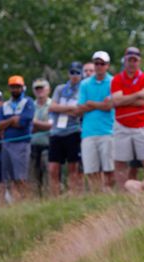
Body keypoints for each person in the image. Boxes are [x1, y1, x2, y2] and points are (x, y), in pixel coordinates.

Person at [111, 47, 144, 186]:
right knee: (120, 161)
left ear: (139, 62)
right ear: (125, 61)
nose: (132, 63)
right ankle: (124, 192)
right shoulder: (117, 79)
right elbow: (117, 101)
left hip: (142, 125)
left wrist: (125, 98)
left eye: (134, 60)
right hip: (122, 126)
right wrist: (137, 94)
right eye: (129, 60)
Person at [78, 51, 115, 192]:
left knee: (109, 168)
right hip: (88, 131)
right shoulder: (85, 84)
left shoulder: (113, 81)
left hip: (108, 130)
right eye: (97, 63)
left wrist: (91, 104)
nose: (99, 66)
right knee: (91, 169)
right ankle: (97, 194)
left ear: (107, 65)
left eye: (102, 64)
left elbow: (109, 106)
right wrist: (100, 104)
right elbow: (80, 107)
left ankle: (108, 192)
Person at [0, 75, 35, 201]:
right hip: (7, 143)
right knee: (8, 177)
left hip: (22, 143)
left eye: (17, 87)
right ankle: (15, 201)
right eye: (13, 87)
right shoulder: (5, 105)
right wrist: (12, 120)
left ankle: (26, 199)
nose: (15, 89)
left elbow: (23, 123)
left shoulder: (28, 102)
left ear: (22, 87)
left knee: (20, 176)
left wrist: (7, 122)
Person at [48, 61, 83, 196]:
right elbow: (52, 107)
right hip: (56, 132)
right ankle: (54, 196)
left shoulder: (83, 89)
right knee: (53, 168)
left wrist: (61, 109)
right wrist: (70, 109)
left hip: (73, 131)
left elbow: (78, 111)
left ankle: (73, 193)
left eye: (77, 73)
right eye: (72, 72)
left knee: (73, 167)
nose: (74, 76)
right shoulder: (60, 88)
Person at [30, 78, 52, 196]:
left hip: (48, 145)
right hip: (32, 147)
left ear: (48, 89)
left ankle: (50, 200)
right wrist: (41, 124)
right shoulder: (30, 106)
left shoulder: (53, 104)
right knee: (33, 179)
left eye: (42, 88)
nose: (39, 91)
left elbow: (51, 125)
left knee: (48, 177)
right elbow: (28, 127)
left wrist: (35, 123)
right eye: (37, 88)